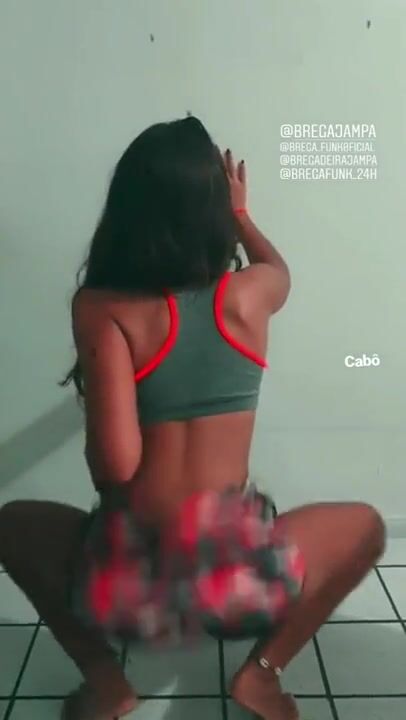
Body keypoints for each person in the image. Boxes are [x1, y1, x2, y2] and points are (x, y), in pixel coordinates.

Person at [0, 117, 385, 720]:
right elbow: (281, 271)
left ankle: (106, 683)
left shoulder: (103, 309)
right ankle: (261, 676)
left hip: (127, 592)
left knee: (11, 525)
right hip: (237, 587)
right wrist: (243, 216)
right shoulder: (251, 295)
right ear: (214, 213)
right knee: (366, 527)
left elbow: (115, 468)